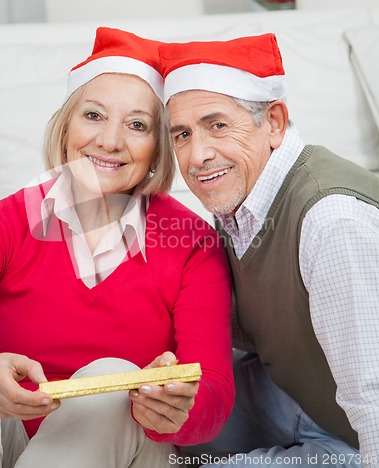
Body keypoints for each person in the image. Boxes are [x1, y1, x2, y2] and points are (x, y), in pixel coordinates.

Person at [0, 27, 235, 467]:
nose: (109, 141)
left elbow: (213, 387)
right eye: (94, 116)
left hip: (131, 448)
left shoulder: (193, 242)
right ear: (66, 126)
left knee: (110, 377)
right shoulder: (14, 219)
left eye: (137, 125)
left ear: (158, 148)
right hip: (18, 439)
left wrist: (178, 406)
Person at [157, 33, 379, 467]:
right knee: (151, 425)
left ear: (274, 122)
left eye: (217, 125)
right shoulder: (242, 196)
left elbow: (373, 394)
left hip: (353, 435)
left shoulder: (331, 222)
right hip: (298, 396)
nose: (198, 155)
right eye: (181, 134)